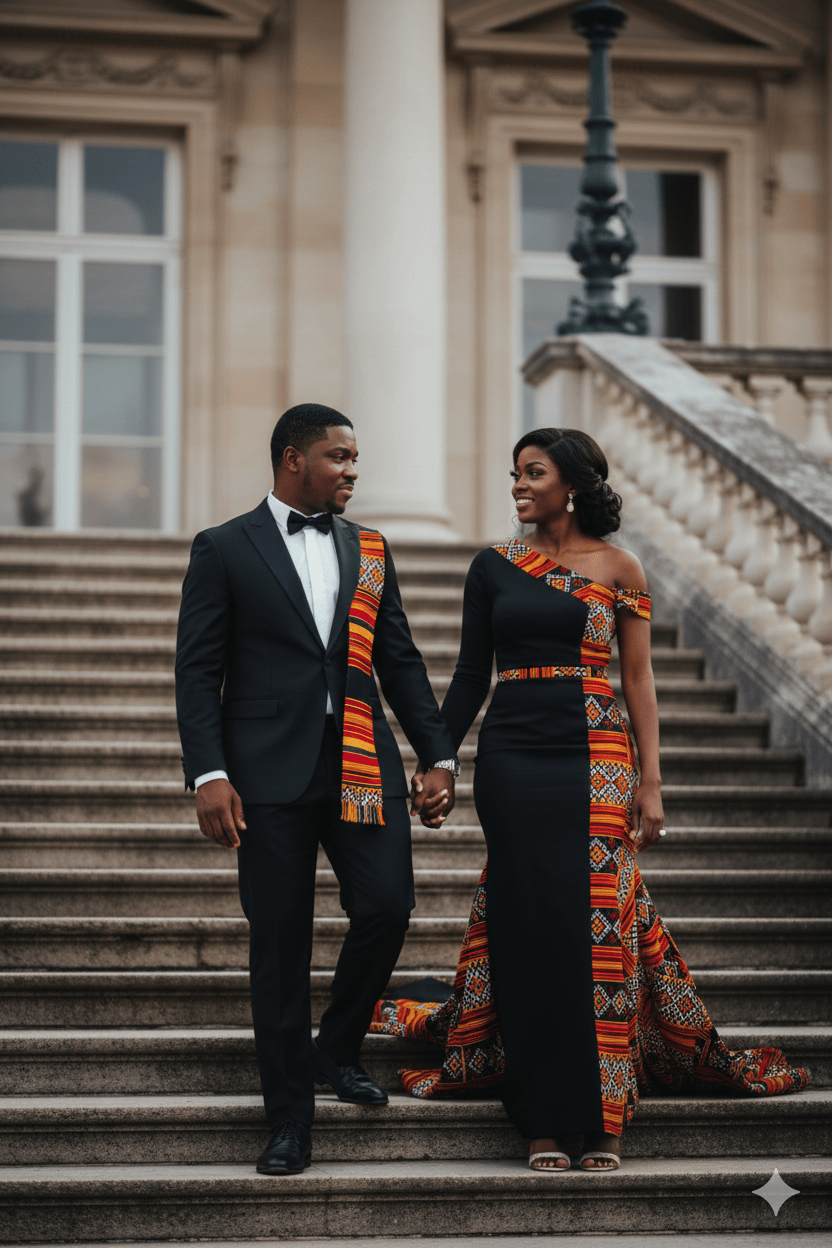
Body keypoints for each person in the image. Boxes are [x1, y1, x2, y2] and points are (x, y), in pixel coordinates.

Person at [372, 427, 808, 1172]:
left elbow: (637, 679)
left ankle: (605, 1116)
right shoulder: (494, 566)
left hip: (598, 754)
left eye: (532, 472)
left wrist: (652, 780)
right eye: (514, 472)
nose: (517, 484)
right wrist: (438, 760)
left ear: (569, 483)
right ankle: (543, 1117)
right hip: (512, 754)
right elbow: (472, 674)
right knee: (532, 925)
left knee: (600, 928)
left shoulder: (619, 566)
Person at [175, 403, 458, 1176]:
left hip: (363, 764)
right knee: (279, 949)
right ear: (294, 460)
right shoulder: (225, 547)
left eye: (356, 458)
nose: (353, 471)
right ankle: (289, 1123)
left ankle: (334, 1049)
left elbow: (398, 658)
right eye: (339, 457)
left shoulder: (370, 549)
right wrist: (209, 772)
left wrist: (439, 756)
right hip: (264, 777)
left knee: (387, 905)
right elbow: (198, 671)